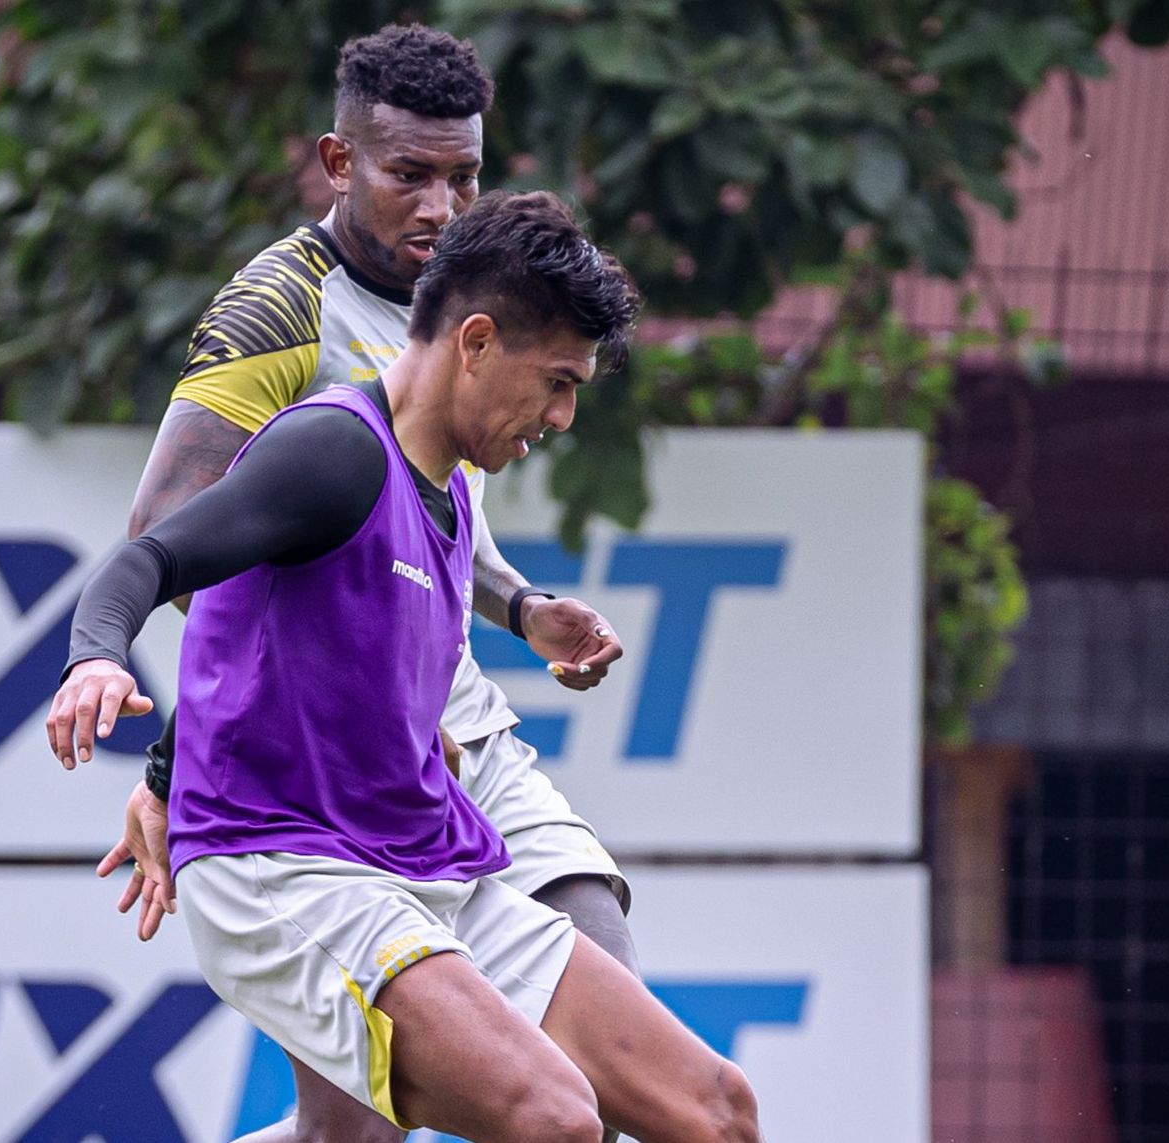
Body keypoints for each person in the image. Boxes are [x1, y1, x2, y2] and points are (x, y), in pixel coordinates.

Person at [48, 190, 762, 1143]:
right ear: (476, 342)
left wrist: (172, 775)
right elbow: (147, 559)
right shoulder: (333, 451)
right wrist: (96, 661)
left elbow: (268, 648)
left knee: (717, 1112)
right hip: (285, 868)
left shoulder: (451, 493)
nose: (562, 415)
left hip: (418, 861)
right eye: (557, 382)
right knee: (554, 1119)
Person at [95, 26, 639, 1141]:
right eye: (409, 175)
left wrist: (521, 608)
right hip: (330, 765)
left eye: (464, 176)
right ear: (339, 164)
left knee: (611, 1038)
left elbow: (430, 519)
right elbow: (170, 531)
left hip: (455, 729)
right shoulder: (280, 308)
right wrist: (212, 743)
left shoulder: (470, 296)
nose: (441, 205)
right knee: (360, 1133)